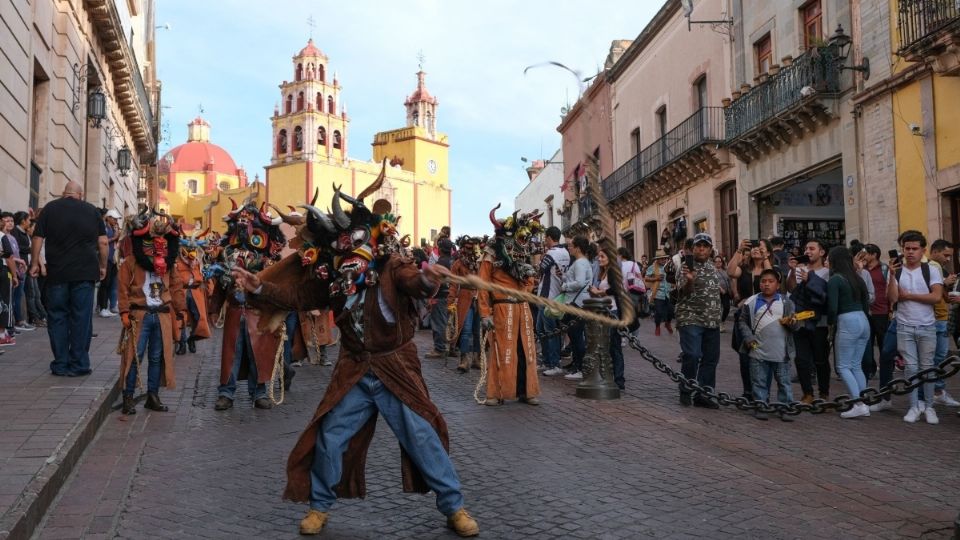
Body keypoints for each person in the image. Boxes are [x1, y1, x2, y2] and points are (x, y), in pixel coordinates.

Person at [233, 175, 479, 536]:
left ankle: (454, 506)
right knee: (332, 436)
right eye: (342, 245)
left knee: (421, 436)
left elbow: (415, 280)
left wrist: (430, 278)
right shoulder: (334, 277)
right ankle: (320, 506)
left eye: (355, 241)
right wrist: (261, 287)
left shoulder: (391, 266)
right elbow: (300, 298)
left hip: (395, 367)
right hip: (355, 369)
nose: (349, 251)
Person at [206, 197, 287, 411]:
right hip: (234, 312)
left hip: (257, 314)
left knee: (257, 354)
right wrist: (214, 309)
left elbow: (275, 289)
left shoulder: (268, 260)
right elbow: (220, 286)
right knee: (232, 353)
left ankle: (259, 392)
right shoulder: (228, 255)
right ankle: (226, 393)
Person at [29, 181, 107, 376]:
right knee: (81, 318)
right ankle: (79, 363)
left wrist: (35, 263)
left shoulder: (50, 209)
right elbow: (103, 242)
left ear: (64, 193)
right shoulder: (91, 211)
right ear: (80, 195)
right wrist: (103, 265)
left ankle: (61, 363)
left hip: (57, 273)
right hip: (85, 272)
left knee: (57, 317)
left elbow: (37, 238)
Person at [116, 209, 186, 414]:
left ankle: (152, 396)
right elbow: (122, 288)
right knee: (134, 356)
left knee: (157, 357)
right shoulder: (130, 262)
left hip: (162, 315)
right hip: (139, 315)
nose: (157, 245)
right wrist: (124, 312)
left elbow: (176, 286)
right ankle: (128, 396)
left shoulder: (169, 265)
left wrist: (181, 310)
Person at [477, 206, 544, 405]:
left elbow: (530, 280)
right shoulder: (491, 254)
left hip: (522, 308)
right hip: (501, 308)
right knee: (502, 351)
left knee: (526, 350)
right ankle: (495, 393)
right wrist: (484, 313)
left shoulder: (523, 254)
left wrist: (522, 295)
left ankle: (527, 391)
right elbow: (482, 285)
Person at [888, 230, 942, 424]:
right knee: (911, 368)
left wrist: (909, 296)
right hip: (904, 325)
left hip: (927, 326)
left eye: (914, 249)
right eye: (906, 248)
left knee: (928, 367)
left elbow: (935, 297)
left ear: (922, 250)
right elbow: (893, 298)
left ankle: (929, 406)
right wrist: (892, 276)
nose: (910, 252)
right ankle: (913, 405)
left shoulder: (931, 270)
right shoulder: (898, 271)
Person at [736, 268, 797, 421]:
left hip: (781, 352)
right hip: (757, 351)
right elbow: (742, 321)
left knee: (784, 381)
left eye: (771, 281)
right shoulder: (752, 302)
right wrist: (748, 337)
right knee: (759, 381)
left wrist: (793, 323)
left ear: (778, 285)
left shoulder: (786, 302)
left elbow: (796, 325)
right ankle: (761, 405)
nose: (767, 284)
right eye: (763, 281)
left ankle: (785, 407)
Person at [675, 233, 723, 408]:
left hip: (712, 320)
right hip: (691, 317)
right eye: (698, 246)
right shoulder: (686, 267)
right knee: (692, 355)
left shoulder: (712, 267)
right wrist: (690, 281)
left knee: (711, 358)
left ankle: (704, 394)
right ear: (693, 249)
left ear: (710, 250)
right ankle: (686, 390)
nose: (701, 248)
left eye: (705, 246)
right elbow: (684, 292)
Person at [826, 247, 872, 419]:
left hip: (847, 320)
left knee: (843, 366)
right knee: (856, 364)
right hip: (863, 319)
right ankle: (864, 402)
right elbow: (866, 302)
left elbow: (832, 307)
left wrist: (831, 324)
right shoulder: (857, 278)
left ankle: (858, 403)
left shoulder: (835, 280)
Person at [786, 240, 831, 403]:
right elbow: (791, 289)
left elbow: (825, 296)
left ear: (822, 252)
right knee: (801, 359)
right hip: (800, 320)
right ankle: (807, 394)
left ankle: (824, 393)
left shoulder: (827, 272)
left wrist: (810, 280)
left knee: (821, 359)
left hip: (819, 322)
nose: (808, 251)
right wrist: (792, 271)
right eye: (806, 249)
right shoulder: (800, 270)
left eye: (812, 248)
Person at [727, 239, 773, 399]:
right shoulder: (745, 269)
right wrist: (739, 250)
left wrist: (764, 256)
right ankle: (748, 391)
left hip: (764, 317)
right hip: (745, 316)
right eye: (753, 247)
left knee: (763, 354)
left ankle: (763, 393)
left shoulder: (769, 269)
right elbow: (731, 272)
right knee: (745, 355)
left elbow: (773, 278)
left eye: (759, 248)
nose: (755, 250)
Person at [923, 239, 960, 407]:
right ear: (935, 251)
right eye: (946, 255)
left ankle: (936, 390)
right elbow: (931, 292)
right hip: (936, 318)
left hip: (941, 318)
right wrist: (944, 285)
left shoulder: (939, 268)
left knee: (938, 357)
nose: (948, 259)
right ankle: (934, 391)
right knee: (936, 357)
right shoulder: (931, 267)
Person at [589, 248, 626, 390]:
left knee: (614, 346)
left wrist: (600, 291)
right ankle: (609, 377)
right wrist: (595, 293)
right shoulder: (602, 272)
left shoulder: (611, 271)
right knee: (607, 347)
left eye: (602, 256)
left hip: (613, 311)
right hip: (605, 312)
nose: (599, 259)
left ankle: (619, 379)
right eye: (599, 257)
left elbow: (616, 289)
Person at [447, 235, 483, 373]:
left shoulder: (481, 263)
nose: (470, 250)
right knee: (466, 330)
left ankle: (477, 358)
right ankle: (464, 359)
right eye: (467, 247)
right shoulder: (458, 264)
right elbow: (453, 284)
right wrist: (451, 302)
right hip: (464, 299)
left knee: (478, 331)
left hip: (479, 299)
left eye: (473, 247)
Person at [537, 227, 570, 376]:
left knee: (549, 331)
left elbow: (540, 269)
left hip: (547, 296)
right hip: (558, 295)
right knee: (543, 330)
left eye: (545, 238)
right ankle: (547, 361)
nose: (545, 240)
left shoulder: (550, 254)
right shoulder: (566, 253)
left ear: (549, 238)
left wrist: (542, 257)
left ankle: (553, 363)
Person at [560, 236, 592, 380]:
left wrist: (565, 286)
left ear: (578, 248)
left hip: (576, 302)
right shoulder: (584, 262)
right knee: (575, 336)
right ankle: (576, 364)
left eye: (571, 245)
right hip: (580, 302)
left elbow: (579, 282)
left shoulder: (579, 263)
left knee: (577, 336)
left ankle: (580, 367)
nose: (569, 248)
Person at [425, 237, 454, 359]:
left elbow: (434, 283)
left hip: (440, 296)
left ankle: (440, 349)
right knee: (450, 323)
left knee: (439, 323)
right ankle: (451, 347)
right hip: (452, 296)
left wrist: (430, 298)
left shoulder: (440, 263)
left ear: (440, 250)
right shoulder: (454, 261)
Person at [10, 211, 33, 331]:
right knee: (17, 296)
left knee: (21, 294)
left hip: (24, 268)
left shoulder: (25, 233)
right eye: (29, 220)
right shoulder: (15, 232)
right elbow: (16, 249)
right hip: (17, 268)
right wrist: (30, 248)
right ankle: (18, 321)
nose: (30, 222)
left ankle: (20, 320)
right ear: (23, 220)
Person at [97, 209, 121, 317]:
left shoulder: (112, 227)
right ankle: (102, 307)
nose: (116, 221)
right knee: (104, 284)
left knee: (110, 283)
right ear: (109, 218)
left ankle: (104, 307)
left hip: (112, 259)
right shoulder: (104, 227)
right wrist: (114, 238)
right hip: (106, 259)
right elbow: (103, 241)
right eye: (114, 219)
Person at [644, 250, 674, 336]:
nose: (664, 260)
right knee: (659, 312)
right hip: (658, 293)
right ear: (657, 259)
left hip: (668, 293)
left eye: (665, 258)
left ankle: (667, 323)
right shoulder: (652, 267)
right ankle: (657, 326)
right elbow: (646, 278)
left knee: (671, 311)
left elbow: (673, 276)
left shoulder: (668, 266)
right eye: (661, 259)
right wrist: (656, 279)